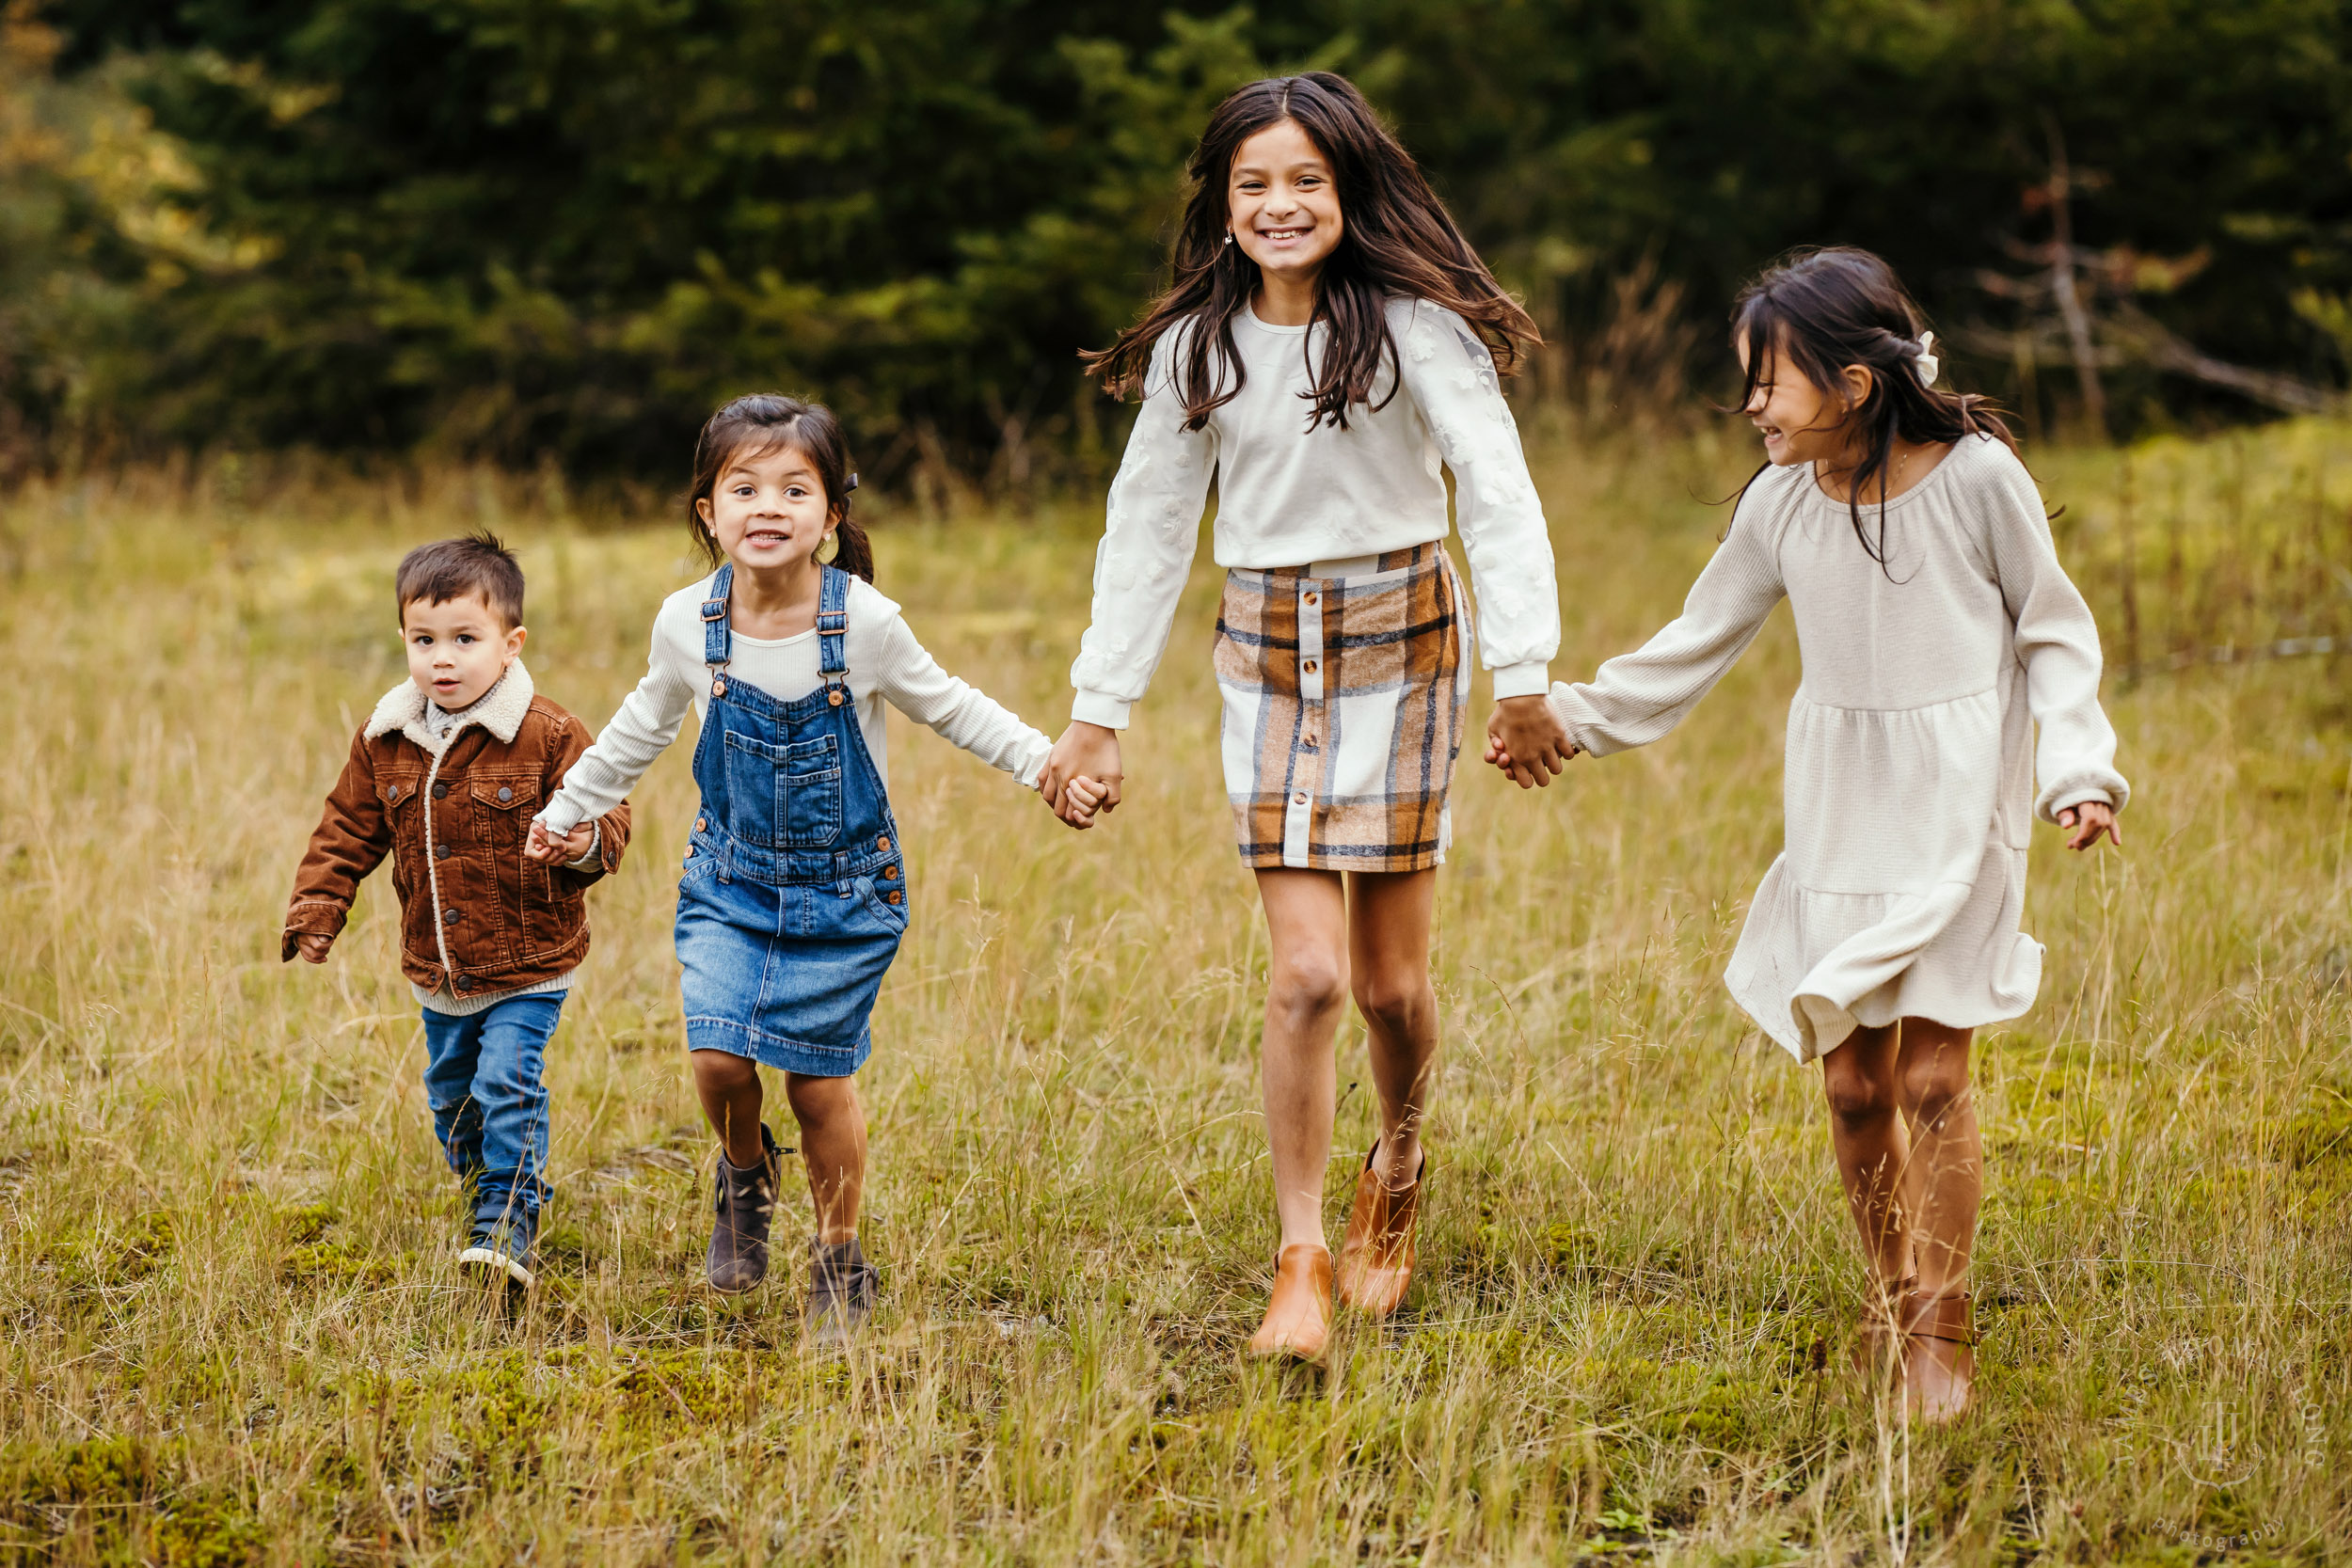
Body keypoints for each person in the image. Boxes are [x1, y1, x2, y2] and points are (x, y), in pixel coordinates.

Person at [1490, 246, 2127, 1421]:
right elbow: (1695, 643)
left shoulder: (1979, 477)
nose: (1750, 407)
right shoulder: (1781, 502)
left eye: (1767, 384)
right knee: (1849, 1084)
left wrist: (2078, 769)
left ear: (1852, 384)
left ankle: (1941, 1325)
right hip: (1840, 799)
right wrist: (1569, 717)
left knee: (1933, 1075)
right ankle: (1887, 1292)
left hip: (1960, 800)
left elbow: (2054, 630)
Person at [1038, 72, 1570, 1364]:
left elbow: (1494, 491)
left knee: (1390, 984)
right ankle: (1303, 1256)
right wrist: (1096, 711)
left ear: (1349, 193)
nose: (1280, 205)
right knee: (1308, 974)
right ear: (1223, 208)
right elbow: (1149, 528)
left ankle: (1398, 1159)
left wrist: (1527, 668)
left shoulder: (1409, 327)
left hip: (1406, 637)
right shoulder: (1197, 351)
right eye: (1253, 184)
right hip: (1267, 648)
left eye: (1304, 182)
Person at [528, 394, 1099, 1341]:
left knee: (816, 1084)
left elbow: (953, 706)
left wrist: (1046, 763)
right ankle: (745, 1171)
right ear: (706, 510)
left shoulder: (864, 624)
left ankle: (839, 1252)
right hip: (731, 876)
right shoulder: (687, 622)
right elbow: (639, 726)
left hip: (844, 887)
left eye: (796, 488)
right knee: (716, 1057)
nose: (768, 506)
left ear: (831, 515)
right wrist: (567, 810)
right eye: (743, 486)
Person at [284, 531, 631, 1290]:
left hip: (529, 959)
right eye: (423, 639)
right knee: (452, 1094)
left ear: (510, 644)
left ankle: (505, 1226)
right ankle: (481, 1186)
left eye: (464, 639)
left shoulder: (549, 733)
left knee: (507, 1080)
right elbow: (348, 827)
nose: (442, 658)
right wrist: (319, 905)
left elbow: (612, 820)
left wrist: (579, 840)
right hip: (438, 965)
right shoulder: (387, 738)